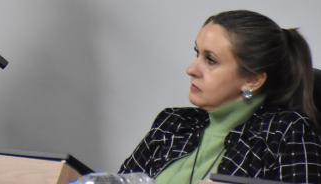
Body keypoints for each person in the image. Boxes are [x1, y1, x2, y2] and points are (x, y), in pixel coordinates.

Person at [119, 10, 321, 183]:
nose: (191, 70)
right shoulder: (172, 123)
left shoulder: (285, 131)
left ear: (253, 80)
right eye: (197, 53)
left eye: (211, 60)